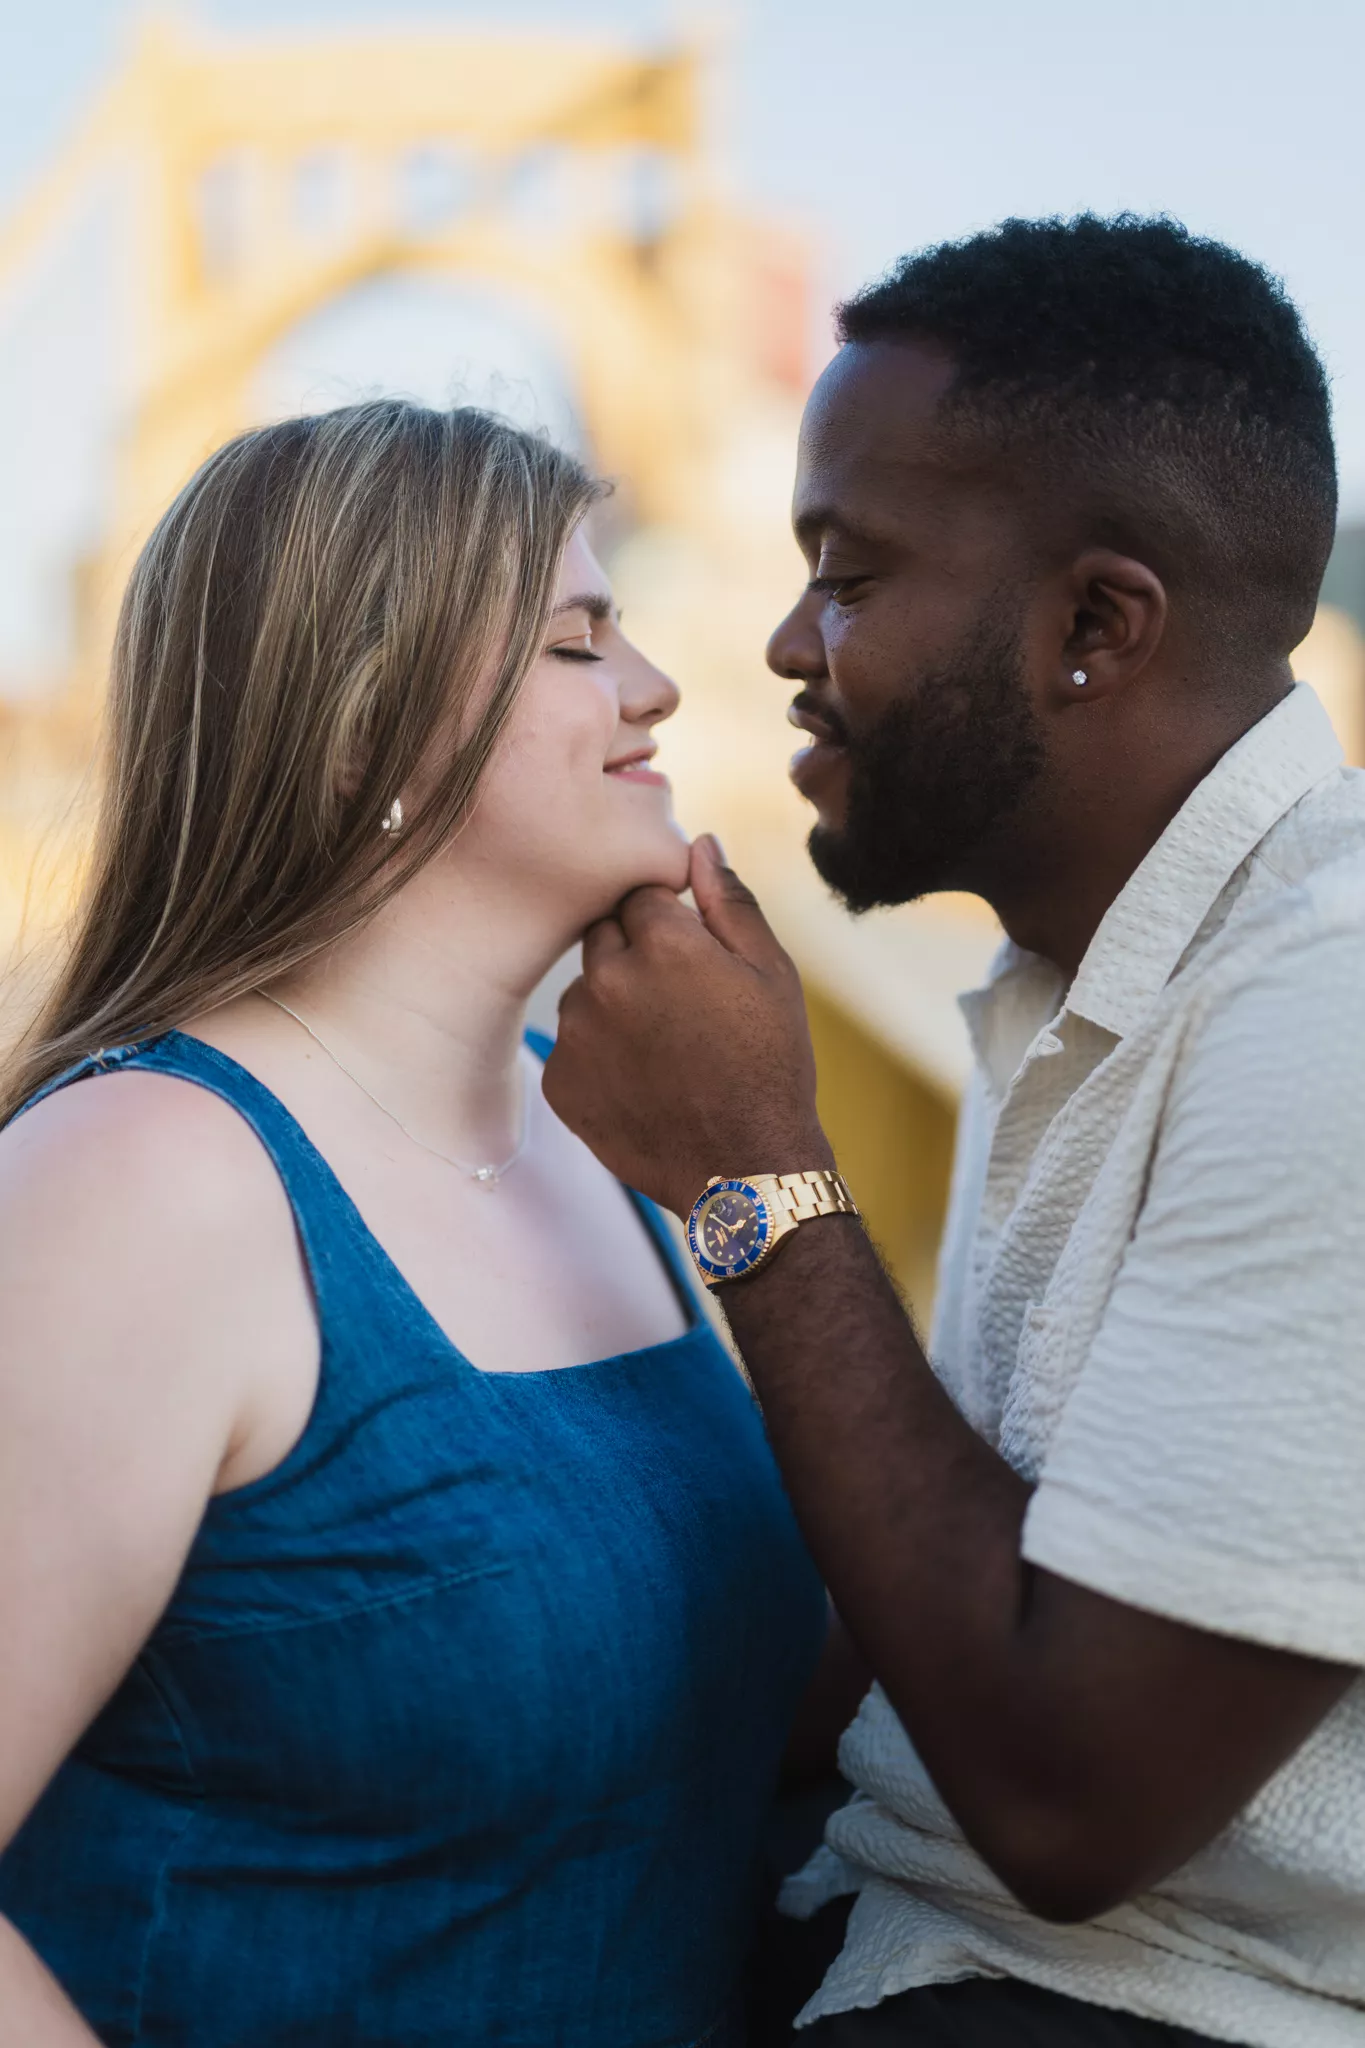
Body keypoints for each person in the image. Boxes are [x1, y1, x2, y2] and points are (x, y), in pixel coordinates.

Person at [541, 215, 1365, 2048]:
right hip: (910, 1928)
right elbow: (946, 1572)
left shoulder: (1329, 1007)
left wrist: (753, 1178)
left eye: (848, 575)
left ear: (1095, 627)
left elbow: (1078, 1810)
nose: (781, 645)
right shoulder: (1075, 968)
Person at [0, 400, 834, 2047]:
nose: (656, 687)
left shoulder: (603, 1140)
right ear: (359, 729)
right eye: (577, 641)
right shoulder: (141, 1186)